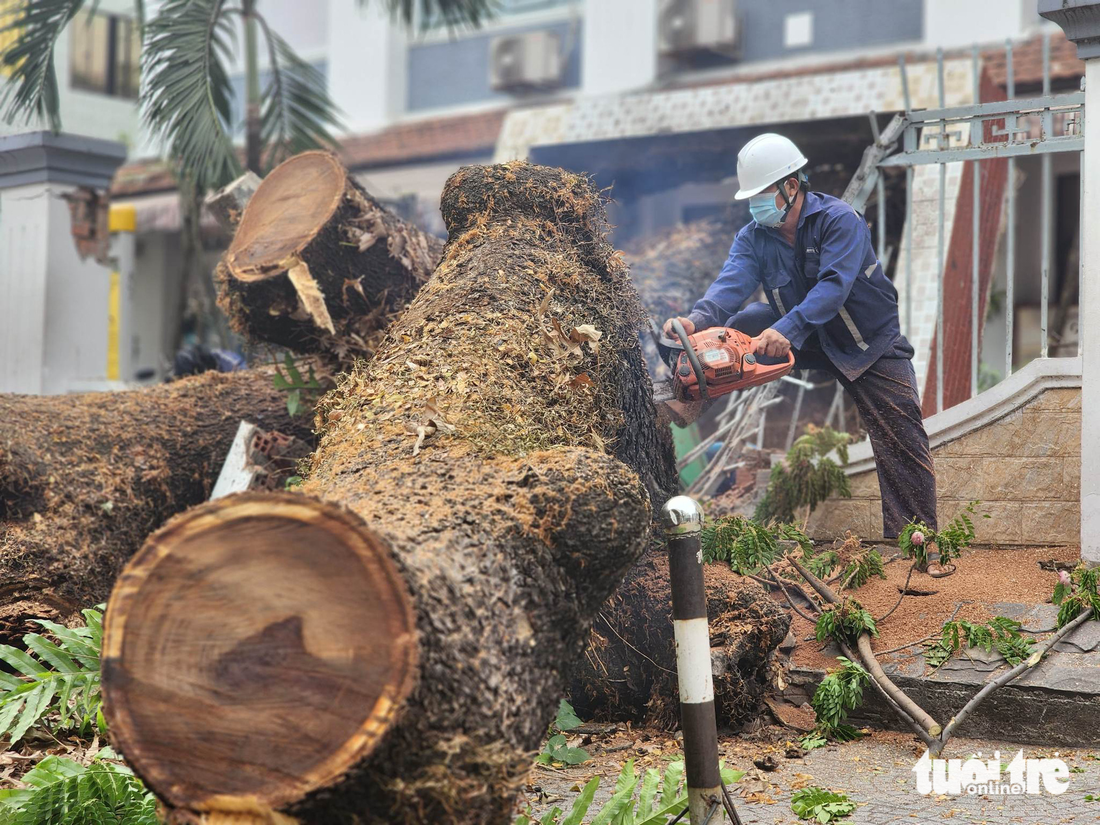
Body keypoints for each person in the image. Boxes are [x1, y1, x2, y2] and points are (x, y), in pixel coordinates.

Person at [663, 133, 947, 576]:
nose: (755, 204)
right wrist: (696, 320)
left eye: (761, 194)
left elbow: (833, 288)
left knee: (900, 431)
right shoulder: (754, 235)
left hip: (866, 341)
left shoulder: (840, 220)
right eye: (751, 196)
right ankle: (688, 400)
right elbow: (731, 283)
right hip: (804, 336)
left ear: (790, 186)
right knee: (738, 326)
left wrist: (786, 330)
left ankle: (923, 545)